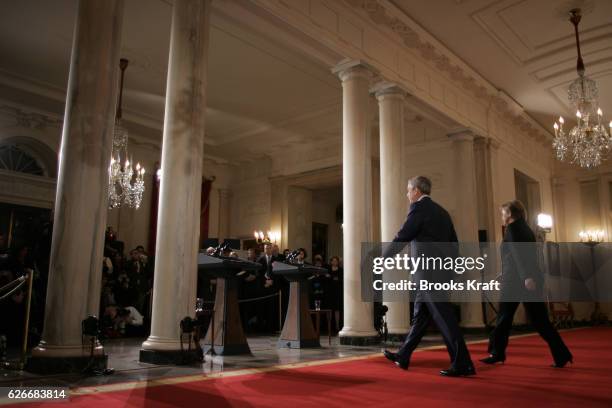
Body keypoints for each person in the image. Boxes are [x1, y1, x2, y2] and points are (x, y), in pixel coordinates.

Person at [383, 176, 475, 377]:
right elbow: (454, 244)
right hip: (438, 272)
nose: (407, 194)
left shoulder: (418, 208)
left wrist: (383, 256)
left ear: (416, 191)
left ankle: (463, 363)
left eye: (408, 190)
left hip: (428, 273)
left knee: (444, 317)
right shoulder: (442, 212)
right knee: (420, 317)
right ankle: (404, 355)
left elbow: (404, 235)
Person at [480, 200, 573, 368]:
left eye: (503, 213)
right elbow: (519, 256)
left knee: (504, 318)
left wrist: (526, 277)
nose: (501, 216)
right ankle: (562, 355)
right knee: (539, 321)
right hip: (522, 278)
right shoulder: (525, 229)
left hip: (518, 282)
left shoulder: (513, 229)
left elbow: (519, 254)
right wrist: (509, 273)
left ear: (509, 215)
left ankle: (497, 353)